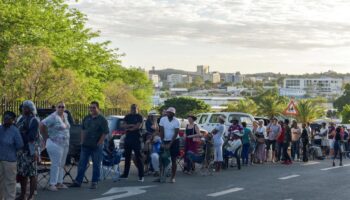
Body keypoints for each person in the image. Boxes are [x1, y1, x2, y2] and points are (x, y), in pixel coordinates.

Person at [70, 101, 109, 189]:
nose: (91, 109)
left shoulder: (102, 119)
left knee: (96, 164)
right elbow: (83, 130)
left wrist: (99, 143)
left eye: (94, 107)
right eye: (90, 107)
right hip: (85, 145)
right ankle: (78, 182)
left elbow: (105, 132)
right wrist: (82, 141)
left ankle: (94, 182)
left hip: (96, 146)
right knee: (82, 164)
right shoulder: (87, 117)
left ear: (98, 108)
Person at [40, 102, 71, 191]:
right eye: (59, 107)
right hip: (54, 143)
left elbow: (66, 128)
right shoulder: (52, 117)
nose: (61, 108)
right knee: (56, 164)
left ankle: (59, 182)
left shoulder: (65, 115)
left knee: (61, 164)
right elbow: (41, 124)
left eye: (63, 107)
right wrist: (46, 137)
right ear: (56, 108)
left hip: (65, 144)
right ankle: (52, 184)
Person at [16, 100, 40, 200]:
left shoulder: (34, 120)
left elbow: (31, 137)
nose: (23, 109)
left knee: (32, 174)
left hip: (30, 150)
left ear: (30, 109)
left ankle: (31, 196)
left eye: (25, 107)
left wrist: (20, 135)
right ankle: (22, 195)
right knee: (22, 174)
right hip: (21, 151)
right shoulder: (21, 118)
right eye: (23, 107)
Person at [0, 111, 24, 200]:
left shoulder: (15, 130)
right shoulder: (0, 129)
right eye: (5, 118)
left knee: (10, 183)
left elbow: (20, 145)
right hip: (0, 160)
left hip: (10, 161)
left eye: (8, 119)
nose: (6, 120)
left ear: (13, 120)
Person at [120, 104, 144, 182]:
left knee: (138, 157)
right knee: (127, 157)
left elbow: (138, 126)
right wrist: (131, 125)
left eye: (135, 108)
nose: (133, 109)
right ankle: (125, 174)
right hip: (128, 139)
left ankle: (141, 176)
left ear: (137, 109)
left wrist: (129, 128)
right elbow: (123, 125)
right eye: (132, 108)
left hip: (136, 139)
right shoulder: (127, 116)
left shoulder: (139, 117)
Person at [158, 107, 180, 183]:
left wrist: (170, 144)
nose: (168, 113)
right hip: (165, 140)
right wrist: (163, 142)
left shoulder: (176, 121)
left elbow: (176, 133)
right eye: (168, 112)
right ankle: (161, 176)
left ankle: (173, 177)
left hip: (174, 141)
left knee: (174, 160)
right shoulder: (162, 119)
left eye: (170, 113)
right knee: (161, 158)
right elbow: (161, 131)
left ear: (173, 114)